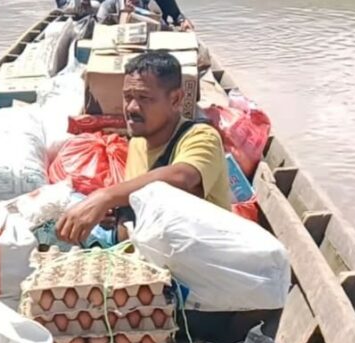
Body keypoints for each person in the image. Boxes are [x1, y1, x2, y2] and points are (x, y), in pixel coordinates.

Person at [55, 50, 230, 244]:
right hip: (135, 247)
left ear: (176, 100)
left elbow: (183, 177)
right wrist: (114, 210)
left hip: (191, 262)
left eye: (144, 98)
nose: (131, 108)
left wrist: (106, 197)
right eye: (127, 97)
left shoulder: (201, 137)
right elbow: (139, 194)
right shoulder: (139, 138)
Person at [95, 0, 194, 30]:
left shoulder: (159, 2)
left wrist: (183, 21)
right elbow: (100, 31)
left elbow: (177, 15)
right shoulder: (108, 6)